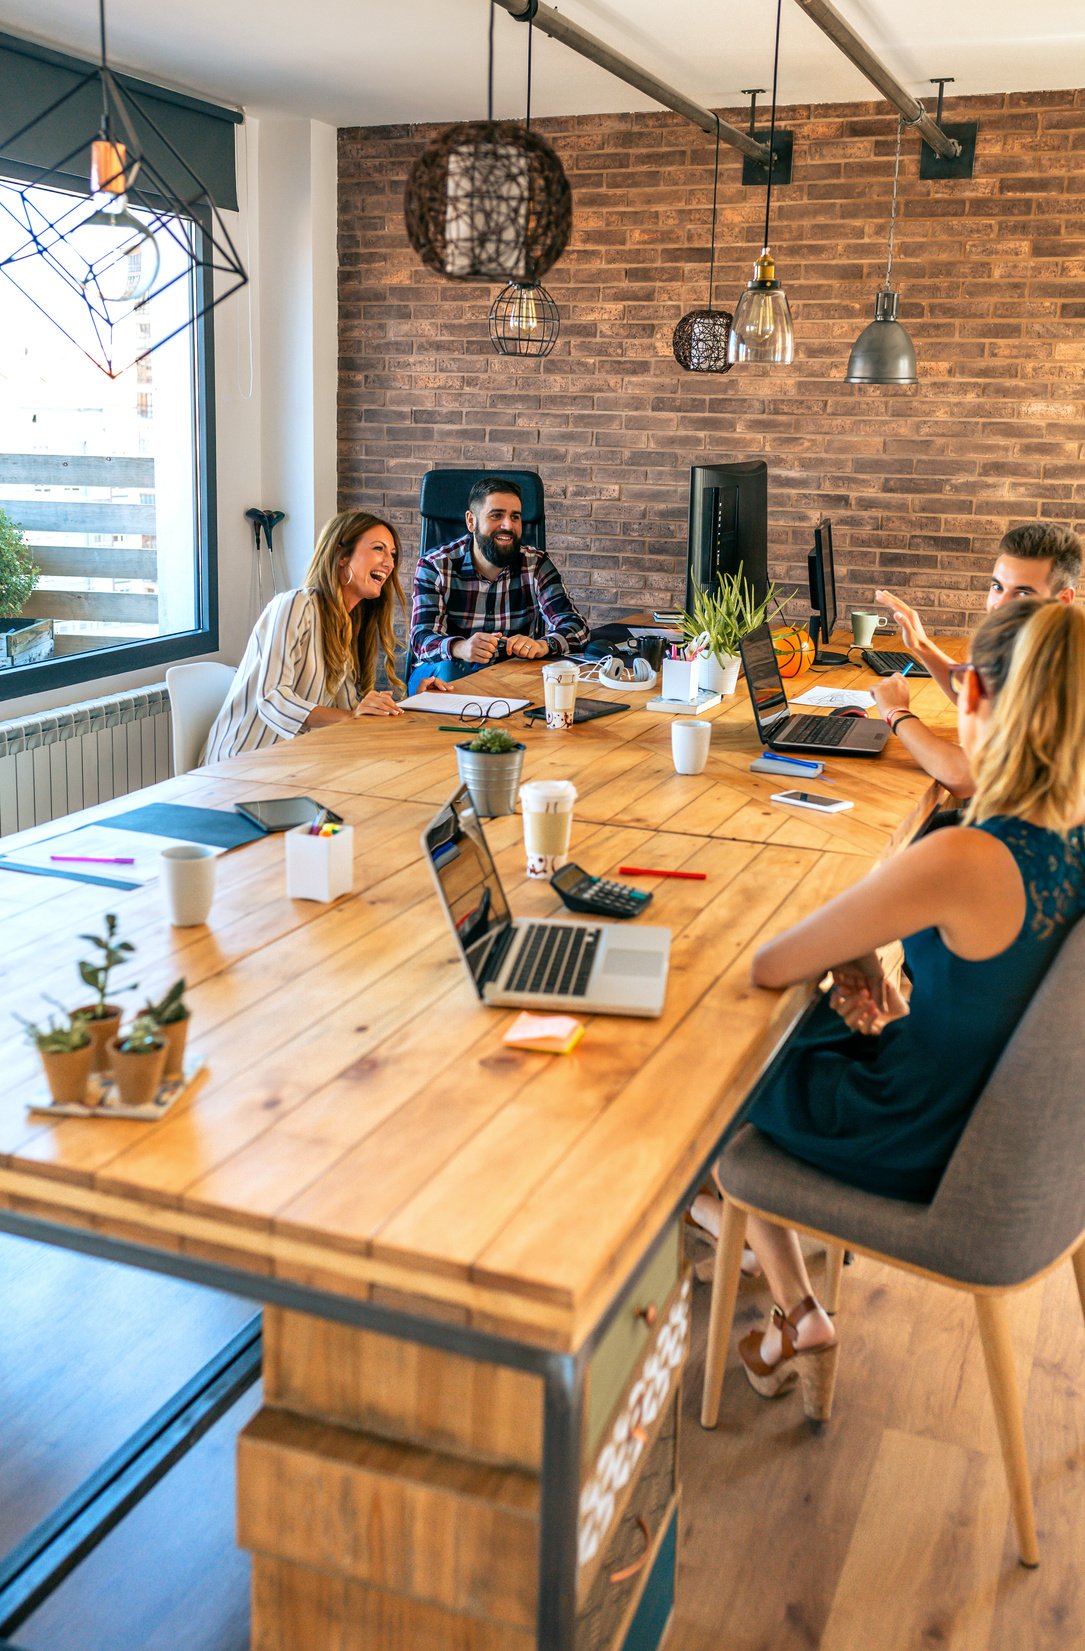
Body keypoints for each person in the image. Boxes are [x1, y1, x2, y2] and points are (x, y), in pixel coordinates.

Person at [713, 598, 1085, 1417]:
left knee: (729, 1043)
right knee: (818, 1010)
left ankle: (788, 1304)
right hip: (1007, 1142)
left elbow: (773, 963)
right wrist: (864, 968)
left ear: (975, 695)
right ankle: (773, 1289)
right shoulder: (1070, 836)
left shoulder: (966, 853)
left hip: (918, 1136)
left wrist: (846, 959)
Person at [202, 511, 446, 763]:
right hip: (242, 765)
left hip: (297, 763)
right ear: (342, 555)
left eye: (392, 554)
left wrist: (412, 702)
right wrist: (351, 716)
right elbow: (272, 698)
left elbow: (350, 706)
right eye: (378, 549)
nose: (389, 563)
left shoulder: (348, 625)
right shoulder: (295, 604)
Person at [870, 523, 1082, 796]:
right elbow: (982, 704)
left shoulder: (1058, 666)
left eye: (1022, 593)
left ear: (1063, 598)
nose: (999, 605)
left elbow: (965, 777)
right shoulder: (1034, 644)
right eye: (997, 587)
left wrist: (895, 712)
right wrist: (922, 646)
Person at [407, 476, 590, 692]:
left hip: (510, 674)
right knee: (449, 672)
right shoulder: (435, 565)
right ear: (471, 521)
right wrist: (461, 647)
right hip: (447, 672)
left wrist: (543, 644)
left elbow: (576, 627)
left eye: (515, 517)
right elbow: (421, 638)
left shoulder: (536, 564)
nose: (508, 525)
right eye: (496, 515)